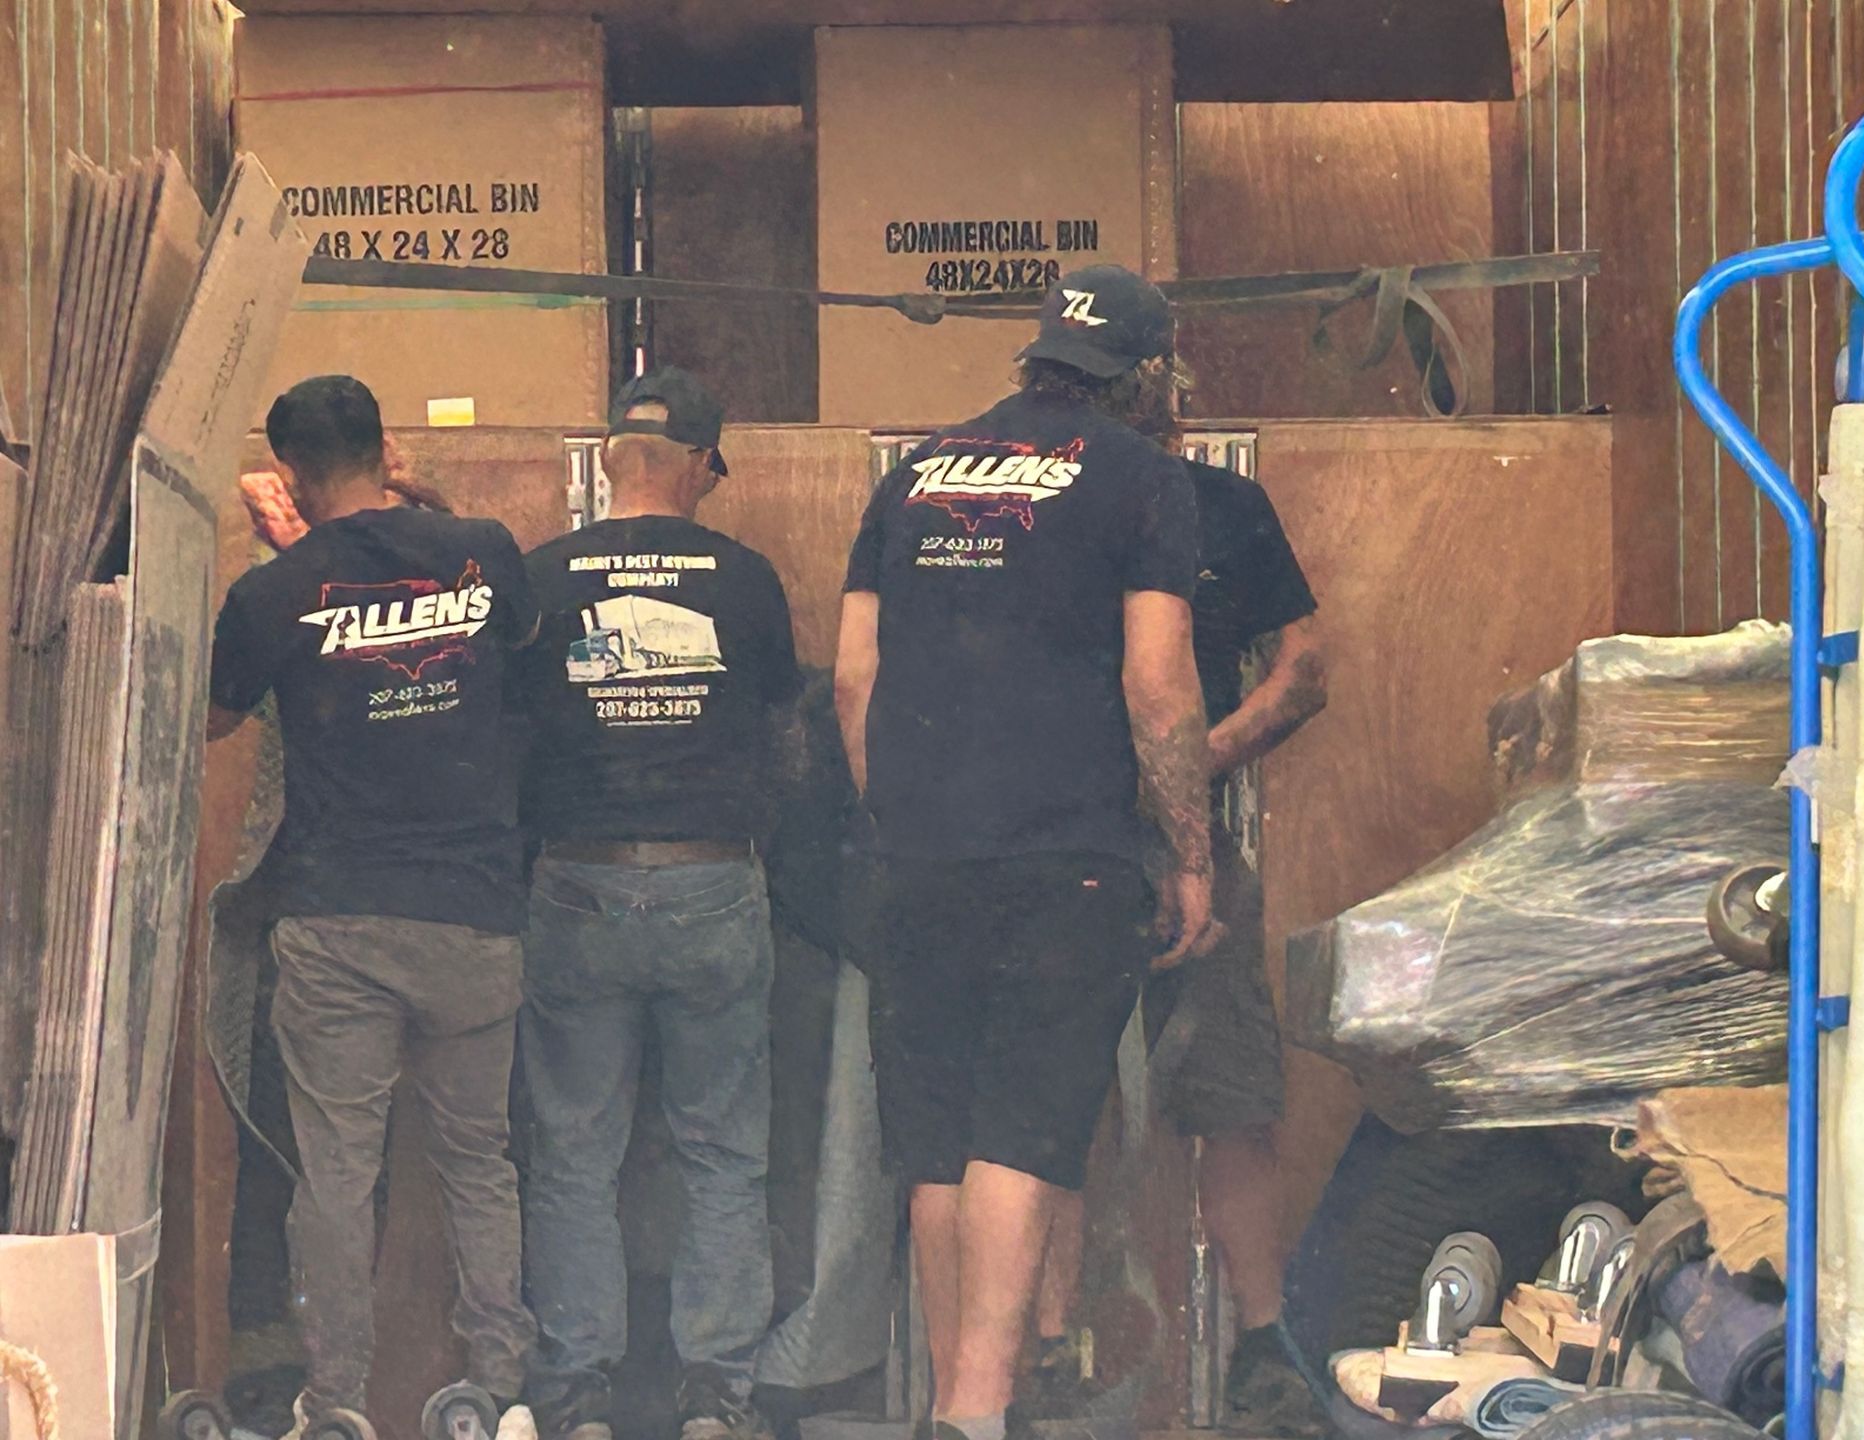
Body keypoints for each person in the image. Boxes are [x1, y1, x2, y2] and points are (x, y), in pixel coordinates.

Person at [834, 265, 1218, 1440]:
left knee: (937, 1140)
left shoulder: (912, 475)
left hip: (918, 854)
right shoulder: (1146, 482)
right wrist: (1190, 851)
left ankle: (950, 1400)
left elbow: (856, 676)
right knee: (1025, 1125)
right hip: (1066, 855)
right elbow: (1157, 689)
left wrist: (903, 809)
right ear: (1147, 374)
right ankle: (982, 1410)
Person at [205, 375, 540, 1437]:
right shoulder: (482, 551)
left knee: (337, 1174)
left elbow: (213, 721)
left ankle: (335, 1401)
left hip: (339, 918)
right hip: (474, 912)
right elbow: (522, 662)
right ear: (386, 447)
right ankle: (498, 1386)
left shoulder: (274, 592)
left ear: (293, 473)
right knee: (477, 1160)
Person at [512, 368, 802, 1440]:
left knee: (575, 1146)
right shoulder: (746, 577)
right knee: (723, 1147)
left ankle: (577, 1394)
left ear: (605, 460)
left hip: (577, 879)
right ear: (701, 467)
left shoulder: (543, 576)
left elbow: (515, 728)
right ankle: (715, 1397)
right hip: (711, 877)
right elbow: (783, 725)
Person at [1028, 405, 1328, 1434]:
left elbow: (1304, 670)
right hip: (1063, 848)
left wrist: (1192, 764)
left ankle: (1261, 1345)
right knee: (1052, 1110)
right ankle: (1055, 1352)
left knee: (1231, 1093)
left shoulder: (1221, 506)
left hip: (1169, 844)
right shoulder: (1027, 504)